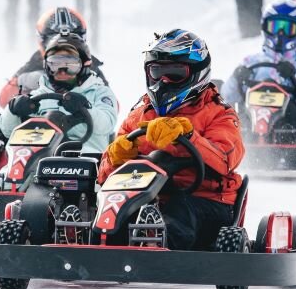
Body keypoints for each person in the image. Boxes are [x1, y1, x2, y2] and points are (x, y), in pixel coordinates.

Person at [98, 29, 245, 251]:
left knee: (180, 209)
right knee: (115, 207)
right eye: (157, 72)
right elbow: (104, 179)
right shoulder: (140, 114)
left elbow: (225, 160)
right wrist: (114, 158)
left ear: (197, 73)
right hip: (146, 195)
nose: (164, 81)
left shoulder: (220, 113)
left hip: (204, 198)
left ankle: (156, 247)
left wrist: (187, 136)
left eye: (175, 73)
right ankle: (98, 242)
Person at [0, 33, 117, 154]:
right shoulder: (38, 96)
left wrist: (85, 108)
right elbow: (8, 131)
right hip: (40, 160)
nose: (62, 71)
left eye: (70, 65)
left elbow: (107, 123)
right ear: (47, 66)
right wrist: (13, 110)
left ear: (84, 66)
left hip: (85, 159)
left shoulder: (99, 92)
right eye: (55, 64)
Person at [222, 0, 296, 135]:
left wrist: (294, 73)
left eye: (287, 29)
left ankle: (288, 141)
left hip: (292, 124)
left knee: (289, 108)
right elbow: (227, 96)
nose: (280, 34)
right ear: (265, 28)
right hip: (252, 121)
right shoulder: (251, 62)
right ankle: (243, 140)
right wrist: (237, 77)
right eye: (275, 27)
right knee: (240, 110)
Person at [0, 7, 109, 108]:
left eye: (72, 40)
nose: (62, 47)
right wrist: (26, 82)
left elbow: (111, 104)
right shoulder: (36, 61)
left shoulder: (88, 64)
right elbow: (4, 99)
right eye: (54, 40)